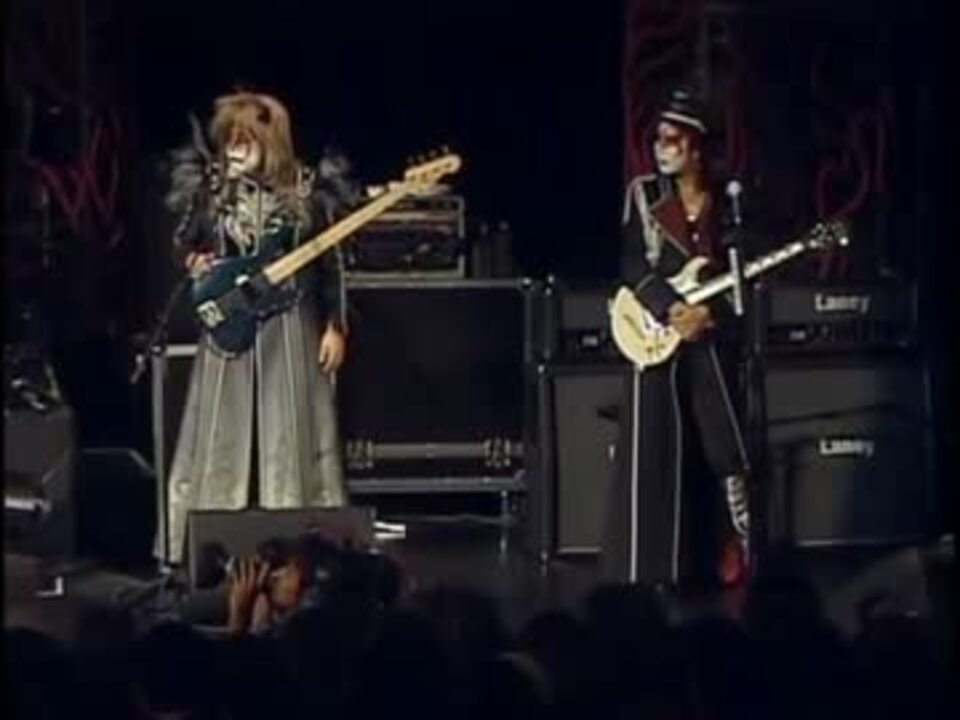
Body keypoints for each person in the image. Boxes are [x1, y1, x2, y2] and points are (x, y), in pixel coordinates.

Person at [159, 91, 359, 564]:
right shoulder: (212, 192)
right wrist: (192, 260)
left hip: (289, 320)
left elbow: (331, 265)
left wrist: (335, 325)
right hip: (229, 319)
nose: (234, 148)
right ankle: (202, 546)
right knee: (217, 430)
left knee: (292, 429)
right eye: (229, 138)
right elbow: (183, 241)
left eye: (245, 139)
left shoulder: (307, 193)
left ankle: (301, 544)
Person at [602, 86, 751, 590]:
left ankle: (733, 545)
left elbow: (742, 276)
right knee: (655, 446)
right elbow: (630, 263)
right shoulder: (643, 195)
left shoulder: (727, 202)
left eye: (672, 140)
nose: (661, 149)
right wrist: (670, 308)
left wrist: (711, 315)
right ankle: (651, 565)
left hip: (709, 337)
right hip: (655, 331)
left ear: (697, 147)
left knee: (722, 442)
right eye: (657, 139)